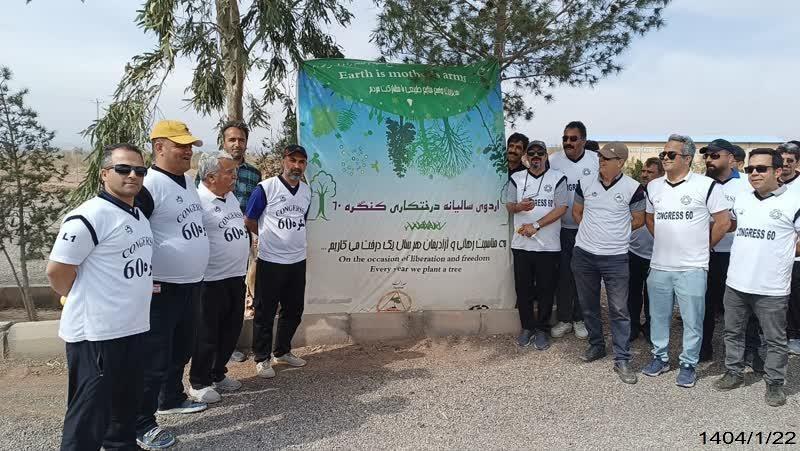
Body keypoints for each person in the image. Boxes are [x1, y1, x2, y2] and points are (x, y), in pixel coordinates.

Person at [47, 144, 153, 451]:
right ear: (104, 173)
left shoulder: (137, 215)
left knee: (125, 410)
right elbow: (57, 272)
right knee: (89, 417)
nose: (132, 175)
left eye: (139, 170)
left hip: (132, 329)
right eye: (123, 169)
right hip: (97, 335)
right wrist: (79, 295)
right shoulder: (88, 217)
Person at [135, 120, 209, 450]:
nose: (187, 151)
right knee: (155, 358)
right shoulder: (149, 186)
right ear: (159, 147)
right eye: (180, 145)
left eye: (189, 145)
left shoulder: (187, 182)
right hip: (161, 288)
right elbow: (133, 232)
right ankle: (141, 423)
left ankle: (171, 397)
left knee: (182, 348)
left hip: (190, 284)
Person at [642, 134, 732, 388]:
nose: (665, 158)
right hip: (659, 265)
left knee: (693, 319)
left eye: (671, 154)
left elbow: (723, 222)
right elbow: (649, 219)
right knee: (658, 316)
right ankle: (660, 358)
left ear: (687, 158)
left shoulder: (707, 186)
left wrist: (703, 247)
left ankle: (688, 364)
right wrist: (665, 241)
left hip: (692, 267)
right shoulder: (654, 187)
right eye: (663, 154)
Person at [714, 148, 800, 407]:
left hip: (771, 287)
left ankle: (775, 383)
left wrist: (783, 254)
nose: (754, 173)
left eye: (761, 168)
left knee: (775, 339)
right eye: (750, 169)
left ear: (778, 171)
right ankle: (734, 371)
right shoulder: (743, 199)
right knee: (732, 331)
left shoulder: (794, 201)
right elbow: (732, 224)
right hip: (736, 283)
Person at [571, 142, 645, 384]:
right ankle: (597, 345)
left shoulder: (633, 188)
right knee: (588, 305)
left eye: (607, 158)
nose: (601, 161)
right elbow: (577, 212)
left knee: (619, 309)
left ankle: (622, 358)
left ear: (620, 162)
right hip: (584, 254)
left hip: (615, 257)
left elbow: (639, 219)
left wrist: (614, 232)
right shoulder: (585, 183)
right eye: (600, 157)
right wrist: (592, 232)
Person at [245, 144, 313, 378]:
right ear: (284, 161)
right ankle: (262, 358)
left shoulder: (306, 191)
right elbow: (250, 220)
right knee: (265, 312)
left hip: (297, 260)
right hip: (271, 260)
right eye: (292, 160)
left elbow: (301, 220)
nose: (296, 166)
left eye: (301, 162)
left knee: (294, 309)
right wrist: (266, 239)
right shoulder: (265, 188)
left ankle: (282, 351)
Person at [188, 152, 250, 403]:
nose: (235, 176)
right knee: (207, 333)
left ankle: (217, 373)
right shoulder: (197, 201)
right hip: (211, 279)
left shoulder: (230, 197)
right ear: (211, 177)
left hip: (236, 275)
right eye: (229, 172)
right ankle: (199, 382)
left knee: (231, 329)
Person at [506, 140, 568, 350]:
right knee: (523, 289)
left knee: (546, 289)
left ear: (545, 156)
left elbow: (562, 208)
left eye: (540, 153)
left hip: (548, 246)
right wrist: (519, 206)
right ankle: (526, 327)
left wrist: (536, 225)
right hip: (521, 245)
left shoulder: (558, 178)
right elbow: (509, 206)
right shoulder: (516, 178)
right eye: (531, 153)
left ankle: (542, 329)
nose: (535, 156)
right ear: (526, 157)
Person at [699, 139, 749, 362]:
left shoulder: (747, 184)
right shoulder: (701, 183)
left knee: (737, 307)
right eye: (706, 156)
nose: (709, 160)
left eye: (714, 155)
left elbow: (741, 221)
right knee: (705, 304)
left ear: (730, 158)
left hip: (736, 254)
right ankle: (704, 348)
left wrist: (721, 224)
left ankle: (739, 353)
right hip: (707, 254)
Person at [548, 121, 598, 339]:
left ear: (583, 141)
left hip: (586, 229)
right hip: (559, 229)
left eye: (573, 138)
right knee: (563, 276)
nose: (568, 142)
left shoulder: (595, 160)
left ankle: (580, 319)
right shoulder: (553, 160)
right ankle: (564, 319)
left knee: (583, 276)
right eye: (565, 138)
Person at [628, 157, 663, 342]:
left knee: (653, 295)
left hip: (657, 254)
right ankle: (632, 326)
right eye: (643, 171)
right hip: (634, 251)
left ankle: (650, 327)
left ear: (661, 174)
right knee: (632, 292)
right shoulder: (636, 192)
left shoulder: (665, 194)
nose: (644, 175)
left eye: (650, 172)